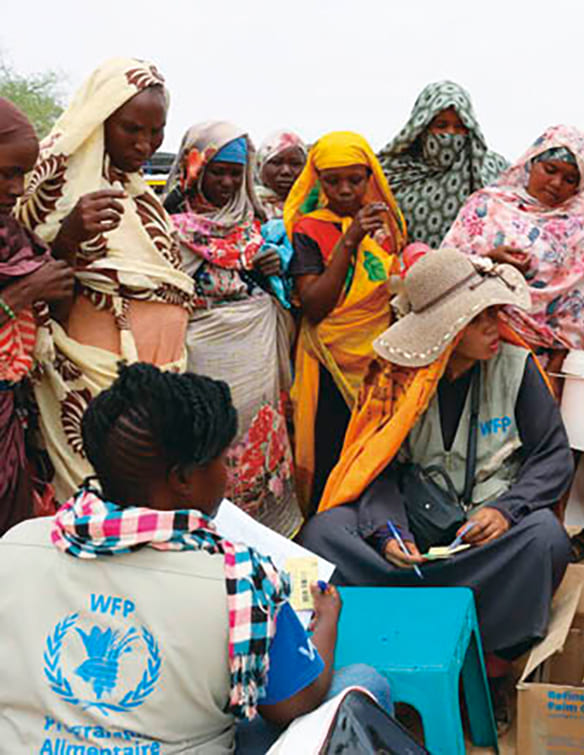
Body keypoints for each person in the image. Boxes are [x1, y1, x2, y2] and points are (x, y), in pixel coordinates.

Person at [0, 363, 386, 753]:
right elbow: (292, 704)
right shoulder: (240, 579)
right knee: (364, 682)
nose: (230, 474)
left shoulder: (17, 544)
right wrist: (326, 622)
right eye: (223, 460)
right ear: (183, 479)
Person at [301, 248, 573, 723]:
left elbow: (552, 456)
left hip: (485, 537)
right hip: (414, 525)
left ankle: (488, 666)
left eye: (494, 313)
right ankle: (381, 649)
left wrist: (507, 509)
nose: (494, 326)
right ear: (448, 329)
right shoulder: (396, 379)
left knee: (546, 539)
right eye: (479, 318)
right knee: (323, 534)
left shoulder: (516, 367)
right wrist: (388, 532)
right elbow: (376, 468)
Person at [16, 57, 196, 501]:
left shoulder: (144, 199)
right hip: (86, 380)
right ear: (100, 120)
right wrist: (69, 236)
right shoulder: (52, 189)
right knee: (95, 498)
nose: (145, 144)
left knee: (145, 504)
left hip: (157, 382)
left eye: (156, 131)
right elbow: (32, 293)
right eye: (131, 129)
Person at [165, 122, 301, 536]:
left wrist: (271, 268)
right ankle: (206, 538)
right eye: (217, 172)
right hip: (203, 358)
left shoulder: (255, 224)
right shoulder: (167, 228)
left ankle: (266, 539)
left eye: (235, 174)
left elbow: (285, 291)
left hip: (256, 361)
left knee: (258, 448)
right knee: (207, 444)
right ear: (194, 168)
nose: (227, 183)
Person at [285, 131, 407, 512]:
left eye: (355, 180)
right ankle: (326, 528)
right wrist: (350, 239)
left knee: (373, 454)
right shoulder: (309, 229)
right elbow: (315, 305)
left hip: (378, 360)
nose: (344, 190)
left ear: (371, 177)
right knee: (331, 452)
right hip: (328, 361)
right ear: (317, 181)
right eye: (332, 181)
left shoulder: (386, 226)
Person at [441, 124, 584, 370]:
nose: (556, 183)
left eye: (569, 179)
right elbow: (444, 271)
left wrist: (553, 372)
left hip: (537, 360)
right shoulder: (487, 205)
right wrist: (489, 261)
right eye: (550, 170)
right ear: (532, 162)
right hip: (469, 345)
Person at [0, 98, 74, 534]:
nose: (16, 189)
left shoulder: (14, 237)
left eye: (22, 175)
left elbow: (56, 301)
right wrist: (27, 290)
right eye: (5, 173)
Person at [379, 81, 509, 248]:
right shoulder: (392, 173)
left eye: (459, 126)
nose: (450, 134)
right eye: (441, 126)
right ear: (422, 127)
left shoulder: (493, 168)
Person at [255, 129, 307, 219]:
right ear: (260, 166)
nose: (286, 171)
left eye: (295, 164)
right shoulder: (246, 208)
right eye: (276, 162)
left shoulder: (316, 206)